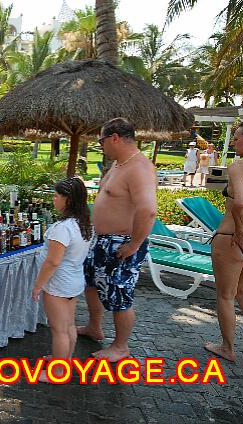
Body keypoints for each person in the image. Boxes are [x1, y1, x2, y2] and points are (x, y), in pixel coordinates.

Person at [77, 117, 157, 362]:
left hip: (120, 242)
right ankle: (94, 327)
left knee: (120, 294)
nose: (100, 146)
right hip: (101, 240)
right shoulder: (119, 164)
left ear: (114, 138)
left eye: (101, 141)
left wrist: (133, 244)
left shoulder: (139, 168)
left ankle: (121, 347)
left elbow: (148, 209)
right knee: (91, 285)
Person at [31, 177, 91, 382]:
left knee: (59, 330)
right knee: (68, 326)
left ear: (68, 200)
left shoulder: (62, 228)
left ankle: (58, 372)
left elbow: (53, 261)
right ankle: (63, 359)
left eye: (57, 196)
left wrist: (38, 285)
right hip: (74, 280)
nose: (54, 199)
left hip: (59, 284)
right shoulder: (82, 224)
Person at [205, 120, 243, 362]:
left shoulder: (239, 166)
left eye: (238, 137)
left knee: (225, 295)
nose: (233, 141)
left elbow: (241, 202)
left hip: (232, 237)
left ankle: (227, 347)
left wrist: (241, 230)